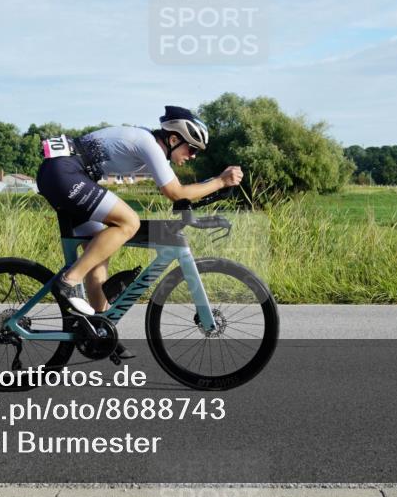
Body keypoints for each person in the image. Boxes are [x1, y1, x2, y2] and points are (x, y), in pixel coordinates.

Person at [35, 106, 243, 350]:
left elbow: (179, 194)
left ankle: (100, 329)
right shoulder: (149, 145)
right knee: (129, 222)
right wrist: (219, 181)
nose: (193, 155)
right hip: (65, 173)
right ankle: (68, 282)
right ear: (174, 139)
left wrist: (198, 210)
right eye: (192, 148)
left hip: (62, 173)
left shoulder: (150, 148)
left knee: (97, 254)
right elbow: (176, 193)